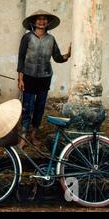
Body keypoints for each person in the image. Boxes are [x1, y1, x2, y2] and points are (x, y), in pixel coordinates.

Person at [17, 10, 71, 148]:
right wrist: (20, 78)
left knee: (40, 107)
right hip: (28, 77)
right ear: (33, 22)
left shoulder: (51, 39)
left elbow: (57, 57)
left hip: (45, 77)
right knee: (27, 107)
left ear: (48, 22)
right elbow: (21, 59)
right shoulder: (27, 37)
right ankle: (23, 136)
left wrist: (68, 55)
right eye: (39, 19)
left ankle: (33, 134)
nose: (42, 22)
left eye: (44, 19)